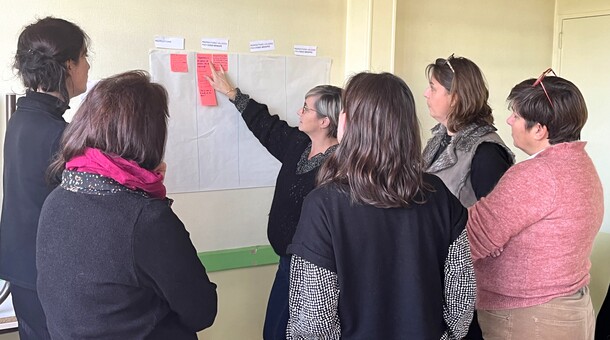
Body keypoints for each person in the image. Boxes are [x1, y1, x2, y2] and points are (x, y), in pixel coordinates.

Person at [286, 72, 476, 339]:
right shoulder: (439, 196)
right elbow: (461, 301)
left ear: (353, 123)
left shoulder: (324, 205)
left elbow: (313, 324)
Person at [36, 71, 218, 339]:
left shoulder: (57, 199)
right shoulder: (146, 219)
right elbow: (202, 312)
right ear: (146, 137)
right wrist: (151, 198)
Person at [206, 63, 342, 339]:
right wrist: (233, 93)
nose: (299, 112)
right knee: (274, 331)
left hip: (314, 268)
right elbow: (267, 126)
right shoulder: (298, 145)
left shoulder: (341, 166)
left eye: (306, 108)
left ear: (325, 121)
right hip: (286, 261)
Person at [467, 69, 603, 340]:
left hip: (530, 318)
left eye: (516, 115)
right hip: (567, 308)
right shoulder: (579, 163)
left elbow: (474, 237)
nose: (508, 120)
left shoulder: (537, 174)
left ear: (540, 129)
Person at [0, 17, 90, 339]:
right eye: (83, 57)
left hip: (21, 267)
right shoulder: (58, 134)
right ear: (68, 65)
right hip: (47, 275)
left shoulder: (22, 118)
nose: (88, 66)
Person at [422, 54, 514, 339]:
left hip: (464, 283)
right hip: (433, 272)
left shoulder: (486, 152)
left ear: (457, 97)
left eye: (434, 87)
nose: (426, 93)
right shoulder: (439, 139)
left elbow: (497, 230)